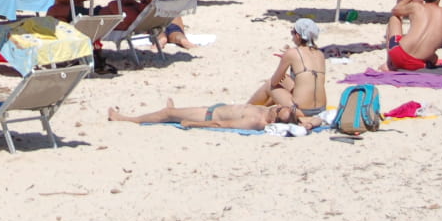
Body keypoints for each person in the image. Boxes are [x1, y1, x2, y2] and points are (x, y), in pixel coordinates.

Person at [248, 18, 327, 115]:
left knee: (269, 85)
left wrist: (285, 58)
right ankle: (261, 106)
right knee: (286, 78)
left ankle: (246, 108)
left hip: (301, 111)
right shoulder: (320, 54)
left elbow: (274, 82)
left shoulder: (292, 53)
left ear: (298, 36)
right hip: (321, 109)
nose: (291, 36)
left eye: (292, 32)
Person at [108, 98, 321, 131]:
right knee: (172, 111)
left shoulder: (255, 121)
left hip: (208, 115)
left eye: (277, 110)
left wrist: (192, 124)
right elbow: (314, 120)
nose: (275, 107)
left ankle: (126, 119)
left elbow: (222, 125)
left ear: (274, 119)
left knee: (167, 113)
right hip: (215, 107)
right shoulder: (277, 114)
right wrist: (308, 122)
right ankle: (174, 111)